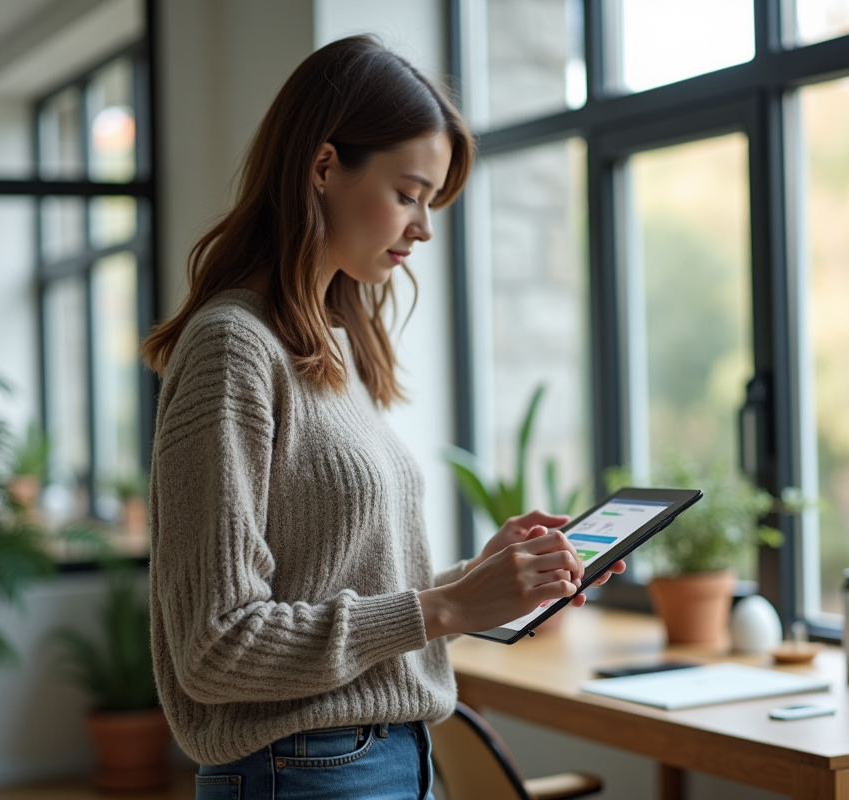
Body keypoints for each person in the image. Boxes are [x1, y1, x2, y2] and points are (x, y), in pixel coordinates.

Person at [142, 36, 623, 800]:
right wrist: (451, 605)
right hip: (303, 772)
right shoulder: (233, 348)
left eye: (430, 202)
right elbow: (218, 645)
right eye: (408, 193)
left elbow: (331, 588)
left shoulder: (326, 348)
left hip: (387, 759)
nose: (424, 228)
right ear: (324, 166)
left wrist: (478, 578)